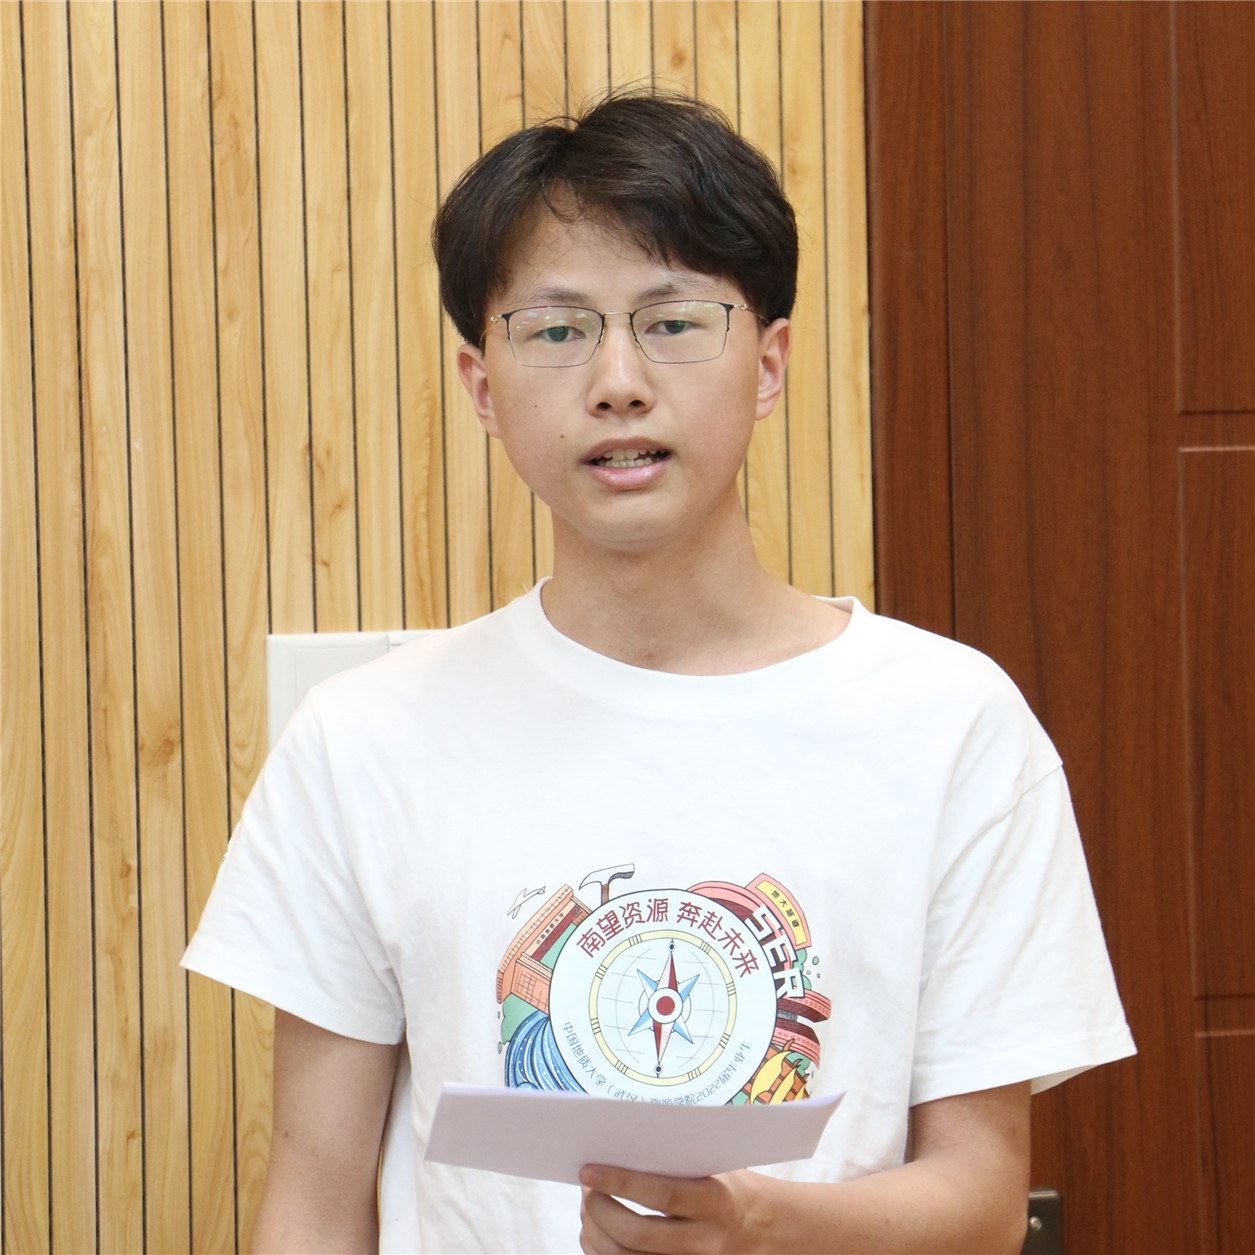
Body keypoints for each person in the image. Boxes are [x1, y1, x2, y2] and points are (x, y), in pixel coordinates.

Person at [183, 92, 1135, 1254]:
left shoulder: (950, 723)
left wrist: (754, 1225)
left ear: (769, 364)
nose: (618, 380)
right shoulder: (364, 740)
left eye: (674, 321)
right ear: (482, 386)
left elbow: (981, 1205)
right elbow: (315, 1202)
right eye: (556, 331)